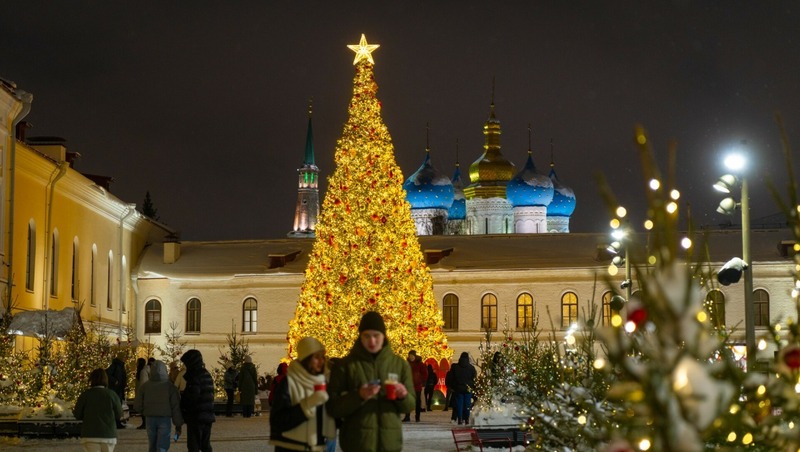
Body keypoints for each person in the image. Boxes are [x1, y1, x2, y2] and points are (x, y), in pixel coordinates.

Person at [327, 311, 414, 452]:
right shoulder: (345, 366)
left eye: (376, 336)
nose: (372, 341)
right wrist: (358, 395)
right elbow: (332, 407)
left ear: (384, 336)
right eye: (367, 336)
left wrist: (403, 396)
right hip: (356, 445)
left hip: (389, 444)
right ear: (360, 336)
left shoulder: (399, 365)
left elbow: (409, 406)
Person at [270, 337, 337, 452]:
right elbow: (279, 421)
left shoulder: (321, 382)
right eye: (316, 357)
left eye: (322, 357)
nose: (321, 361)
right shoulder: (290, 383)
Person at [134, 360, 184, 452]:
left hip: (150, 418)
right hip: (164, 418)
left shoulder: (145, 386)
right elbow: (175, 407)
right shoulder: (170, 387)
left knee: (152, 443)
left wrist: (144, 411)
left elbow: (137, 405)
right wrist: (178, 424)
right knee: (162, 444)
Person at [73, 368, 124, 452]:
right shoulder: (112, 394)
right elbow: (119, 414)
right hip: (108, 434)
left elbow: (77, 414)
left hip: (90, 434)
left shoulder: (85, 395)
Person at [180, 349, 215, 452]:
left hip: (196, 416)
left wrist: (184, 406)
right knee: (205, 444)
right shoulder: (205, 373)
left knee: (194, 445)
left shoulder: (194, 375)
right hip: (207, 414)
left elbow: (192, 397)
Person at [451, 351, 477, 425]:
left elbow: (452, 378)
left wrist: (454, 386)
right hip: (468, 388)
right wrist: (472, 386)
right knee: (467, 404)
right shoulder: (471, 368)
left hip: (458, 388)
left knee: (459, 404)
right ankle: (466, 419)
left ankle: (460, 418)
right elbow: (474, 378)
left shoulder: (455, 367)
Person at [402, 350, 427, 422]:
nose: (411, 357)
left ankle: (417, 416)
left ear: (415, 356)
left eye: (412, 356)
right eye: (410, 356)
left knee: (417, 402)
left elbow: (425, 374)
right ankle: (407, 416)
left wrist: (419, 380)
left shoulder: (420, 364)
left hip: (417, 386)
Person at [106, 353, 127, 429]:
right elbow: (108, 373)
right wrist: (115, 381)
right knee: (116, 406)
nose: (125, 358)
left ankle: (117, 421)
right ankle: (116, 422)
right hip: (116, 389)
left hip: (119, 388)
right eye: (124, 357)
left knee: (118, 405)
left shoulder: (121, 365)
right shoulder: (115, 365)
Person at [135, 357, 151, 430]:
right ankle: (145, 423)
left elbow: (142, 383)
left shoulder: (143, 372)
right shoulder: (144, 371)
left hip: (143, 392)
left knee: (143, 408)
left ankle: (144, 423)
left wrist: (140, 393)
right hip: (145, 392)